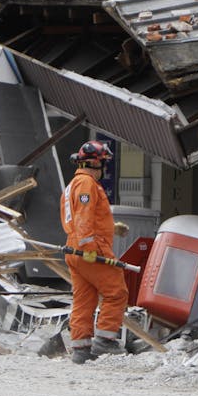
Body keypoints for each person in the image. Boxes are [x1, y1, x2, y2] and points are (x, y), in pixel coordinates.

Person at [60, 140, 130, 364]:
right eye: (103, 164)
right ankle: (105, 340)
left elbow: (83, 217)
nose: (104, 170)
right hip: (88, 249)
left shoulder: (74, 184)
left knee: (84, 298)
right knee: (116, 291)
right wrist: (90, 248)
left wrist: (112, 227)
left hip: (74, 249)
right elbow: (84, 216)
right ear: (95, 163)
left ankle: (81, 347)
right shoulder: (87, 184)